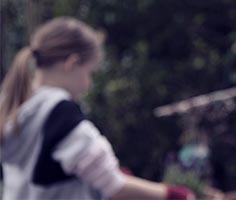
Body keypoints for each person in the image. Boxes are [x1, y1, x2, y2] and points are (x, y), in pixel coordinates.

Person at [0, 17, 194, 200]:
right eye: (89, 73)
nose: (88, 84)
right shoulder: (61, 113)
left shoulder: (17, 106)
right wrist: (173, 194)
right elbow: (113, 185)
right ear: (72, 63)